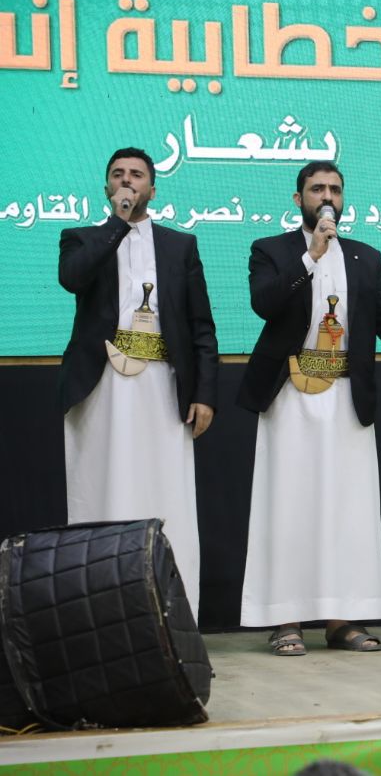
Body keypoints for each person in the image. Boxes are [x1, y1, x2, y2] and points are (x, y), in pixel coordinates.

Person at [237, 161, 381, 655]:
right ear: (299, 199)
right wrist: (310, 256)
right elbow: (264, 303)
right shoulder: (270, 250)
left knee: (347, 510)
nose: (326, 196)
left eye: (334, 189)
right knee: (288, 506)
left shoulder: (365, 257)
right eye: (317, 189)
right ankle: (285, 619)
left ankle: (341, 619)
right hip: (290, 393)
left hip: (347, 395)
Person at [58, 147, 218, 620]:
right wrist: (117, 224)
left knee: (166, 497)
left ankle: (171, 615)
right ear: (107, 186)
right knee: (102, 494)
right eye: (118, 175)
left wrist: (204, 393)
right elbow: (73, 279)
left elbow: (201, 326)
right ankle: (99, 615)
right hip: (102, 387)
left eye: (136, 175)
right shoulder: (81, 238)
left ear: (153, 188)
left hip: (163, 387)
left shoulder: (180, 246)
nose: (127, 181)